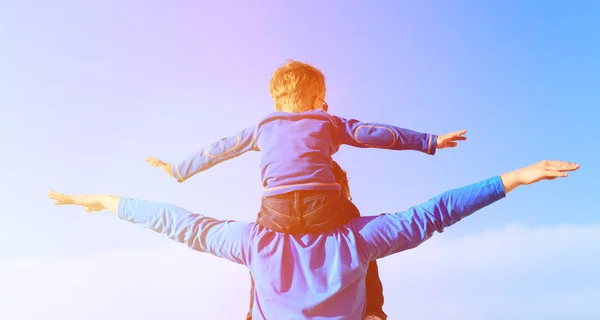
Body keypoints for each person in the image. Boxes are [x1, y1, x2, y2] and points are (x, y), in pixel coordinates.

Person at [48, 160, 579, 319]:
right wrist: (513, 178)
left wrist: (103, 201)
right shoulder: (361, 237)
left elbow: (177, 221)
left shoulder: (255, 241)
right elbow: (433, 213)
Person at [145, 60, 467, 318]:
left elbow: (219, 149)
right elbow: (373, 134)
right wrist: (428, 142)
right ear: (317, 99)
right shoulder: (326, 121)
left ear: (276, 99)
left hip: (276, 211)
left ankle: (254, 311)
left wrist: (178, 170)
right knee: (359, 237)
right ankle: (372, 309)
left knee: (261, 250)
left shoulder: (261, 127)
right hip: (323, 207)